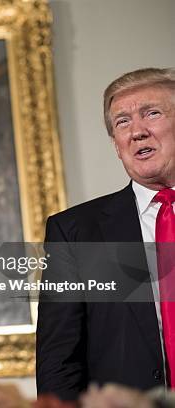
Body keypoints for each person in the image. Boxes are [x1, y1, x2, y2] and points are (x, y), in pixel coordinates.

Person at [36, 67, 175, 400]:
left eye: (151, 113)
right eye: (122, 122)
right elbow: (59, 360)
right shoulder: (74, 232)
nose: (136, 132)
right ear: (116, 145)